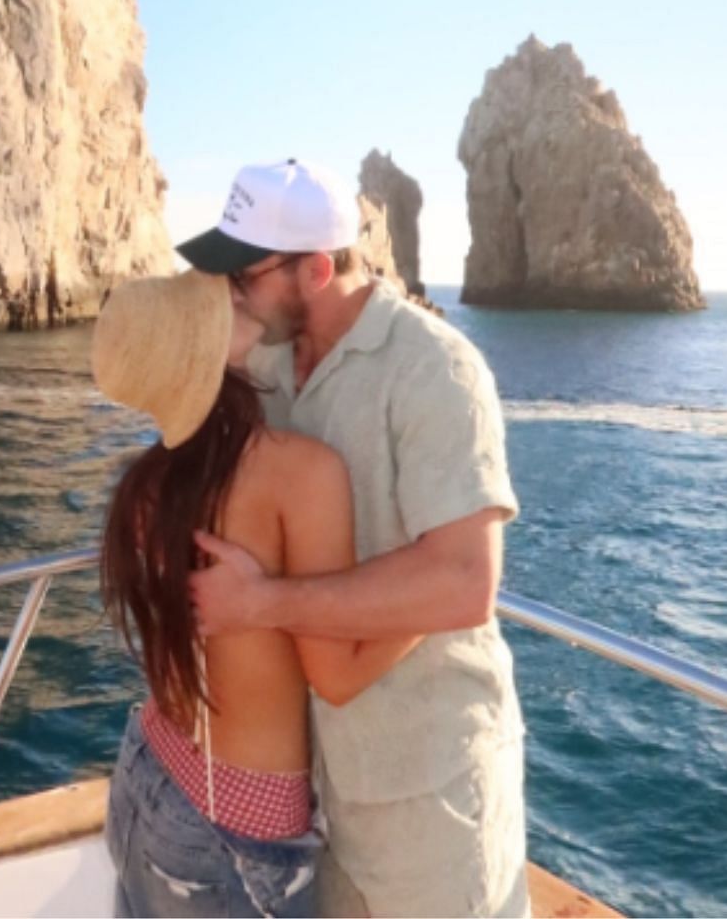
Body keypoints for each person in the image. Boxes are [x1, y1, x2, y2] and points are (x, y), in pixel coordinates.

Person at [178, 159, 526, 917]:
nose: (230, 293)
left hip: (429, 788)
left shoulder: (436, 369)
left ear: (315, 269)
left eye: (245, 274)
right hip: (319, 786)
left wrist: (263, 603)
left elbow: (468, 582)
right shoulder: (265, 363)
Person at [91, 270, 422, 917]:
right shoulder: (299, 473)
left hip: (149, 775)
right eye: (212, 302)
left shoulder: (147, 484)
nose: (232, 290)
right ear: (200, 350)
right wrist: (435, 602)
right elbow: (338, 675)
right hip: (232, 831)